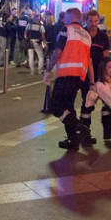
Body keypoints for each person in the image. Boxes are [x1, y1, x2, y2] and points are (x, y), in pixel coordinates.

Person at [43, 8, 93, 150]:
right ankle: (73, 140)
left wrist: (48, 70)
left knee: (55, 106)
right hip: (79, 77)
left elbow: (58, 51)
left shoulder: (66, 30)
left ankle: (78, 126)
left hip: (65, 74)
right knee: (68, 106)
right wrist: (92, 81)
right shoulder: (86, 35)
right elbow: (89, 60)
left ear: (70, 18)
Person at [79, 9, 111, 142]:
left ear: (98, 21)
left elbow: (106, 58)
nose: (93, 24)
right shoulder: (82, 34)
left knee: (108, 102)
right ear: (86, 20)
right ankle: (85, 132)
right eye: (90, 21)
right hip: (85, 74)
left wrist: (107, 75)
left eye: (95, 21)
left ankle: (108, 131)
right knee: (87, 103)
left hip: (99, 74)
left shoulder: (103, 37)